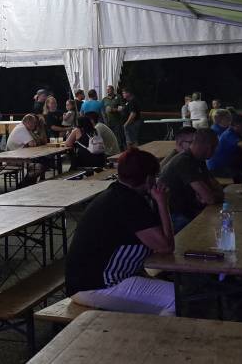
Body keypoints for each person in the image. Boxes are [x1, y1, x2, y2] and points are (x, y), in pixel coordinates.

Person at [65, 149, 176, 315]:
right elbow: (165, 247)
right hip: (97, 285)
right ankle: (155, 332)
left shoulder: (119, 193)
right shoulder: (129, 203)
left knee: (167, 290)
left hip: (89, 282)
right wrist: (162, 203)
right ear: (148, 179)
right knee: (177, 298)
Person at [159, 128, 222, 231]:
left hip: (189, 210)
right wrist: (212, 196)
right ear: (209, 147)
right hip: (175, 216)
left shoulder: (199, 159)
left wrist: (211, 195)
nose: (215, 152)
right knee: (219, 227)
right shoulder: (184, 161)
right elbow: (209, 198)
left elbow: (215, 187)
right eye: (215, 148)